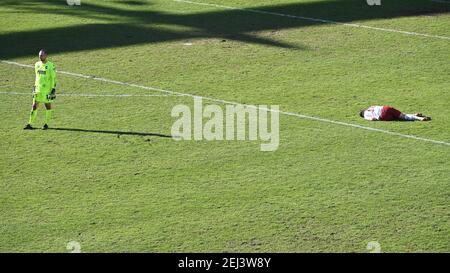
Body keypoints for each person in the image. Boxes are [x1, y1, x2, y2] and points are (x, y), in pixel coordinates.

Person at [24, 49, 57, 130]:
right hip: (38, 90)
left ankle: (46, 124)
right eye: (39, 55)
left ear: (46, 55)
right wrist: (34, 87)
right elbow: (37, 77)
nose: (40, 57)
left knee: (48, 106)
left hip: (47, 90)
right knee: (34, 106)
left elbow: (53, 78)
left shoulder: (51, 66)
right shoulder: (37, 64)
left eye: (41, 55)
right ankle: (30, 124)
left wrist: (53, 89)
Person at [359, 106, 431, 121]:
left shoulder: (365, 116)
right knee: (401, 115)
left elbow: (372, 119)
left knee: (401, 117)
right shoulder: (371, 106)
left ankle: (418, 118)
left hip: (383, 116)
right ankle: (415, 115)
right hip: (386, 108)